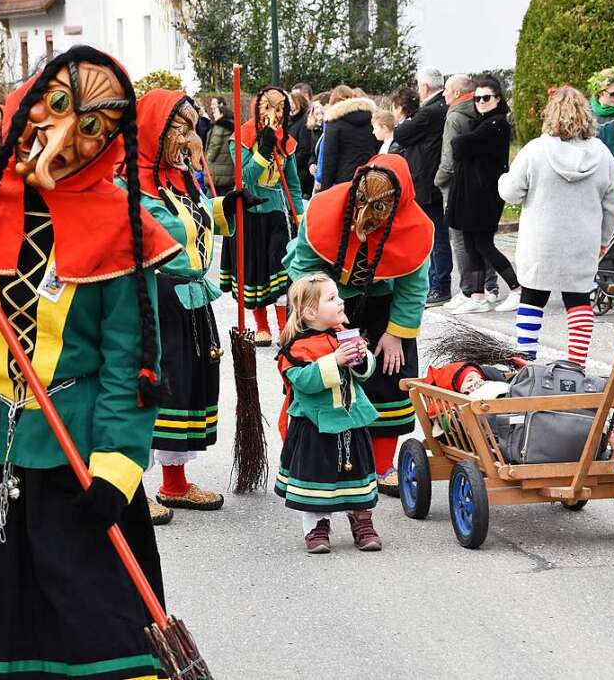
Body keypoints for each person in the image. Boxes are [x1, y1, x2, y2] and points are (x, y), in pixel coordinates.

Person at [0, 46, 176, 680]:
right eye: (57, 106)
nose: (67, 136)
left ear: (111, 142)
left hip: (74, 458)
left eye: (93, 127)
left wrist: (115, 471)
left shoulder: (123, 226)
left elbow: (127, 365)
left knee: (94, 631)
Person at [129, 89, 255, 524]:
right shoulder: (130, 188)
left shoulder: (178, 180)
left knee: (187, 389)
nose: (188, 137)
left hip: (193, 298)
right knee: (153, 390)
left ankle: (175, 482)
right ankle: (130, 489)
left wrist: (227, 208)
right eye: (177, 128)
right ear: (154, 131)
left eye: (190, 126)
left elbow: (192, 222)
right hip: (156, 300)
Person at [285, 154, 432, 498]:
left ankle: (381, 467)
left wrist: (396, 334)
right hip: (325, 297)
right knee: (321, 382)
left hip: (384, 306)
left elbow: (413, 287)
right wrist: (321, 319)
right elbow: (303, 269)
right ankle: (316, 462)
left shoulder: (418, 229)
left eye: (379, 208)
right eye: (362, 202)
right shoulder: (323, 209)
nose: (366, 216)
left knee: (389, 380)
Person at [500, 86, 614, 367]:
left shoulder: (535, 150)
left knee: (532, 298)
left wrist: (502, 179)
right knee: (578, 300)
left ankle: (526, 362)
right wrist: (603, 239)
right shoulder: (602, 155)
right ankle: (576, 365)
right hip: (582, 241)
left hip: (540, 241)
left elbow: (510, 192)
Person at [275, 273, 381, 554]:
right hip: (315, 426)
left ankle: (362, 522)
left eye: (338, 296)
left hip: (351, 420)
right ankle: (317, 527)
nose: (340, 301)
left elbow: (364, 373)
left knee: (357, 473)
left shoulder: (344, 334)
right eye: (332, 298)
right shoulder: (297, 346)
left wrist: (362, 357)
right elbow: (303, 382)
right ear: (310, 311)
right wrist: (333, 361)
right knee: (316, 476)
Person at [219, 86, 305, 346]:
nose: (274, 114)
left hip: (276, 212)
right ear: (257, 109)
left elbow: (292, 181)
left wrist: (299, 212)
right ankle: (262, 327)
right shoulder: (241, 138)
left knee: (280, 270)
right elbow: (244, 178)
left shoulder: (286, 141)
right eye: (268, 108)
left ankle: (284, 328)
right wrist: (264, 149)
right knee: (254, 272)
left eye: (279, 109)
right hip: (248, 213)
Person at [447, 77, 521, 315]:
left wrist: (462, 144)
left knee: (483, 244)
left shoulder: (496, 123)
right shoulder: (482, 122)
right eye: (477, 98)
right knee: (471, 244)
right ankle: (478, 296)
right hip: (471, 194)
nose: (481, 102)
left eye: (486, 97)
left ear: (497, 99)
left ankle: (517, 288)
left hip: (485, 195)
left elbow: (460, 146)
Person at [437, 74, 498, 308]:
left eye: (447, 90)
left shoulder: (454, 117)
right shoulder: (480, 114)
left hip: (456, 185)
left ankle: (469, 290)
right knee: (480, 237)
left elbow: (449, 159)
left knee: (461, 239)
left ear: (456, 93)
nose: (444, 94)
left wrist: (438, 180)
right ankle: (489, 286)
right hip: (480, 183)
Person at [394, 67, 451, 306]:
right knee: (434, 232)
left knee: (434, 234)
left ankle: (440, 285)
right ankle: (437, 283)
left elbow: (401, 132)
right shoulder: (439, 108)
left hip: (426, 180)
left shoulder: (429, 111)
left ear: (425, 87)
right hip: (429, 178)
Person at [318, 87, 379, 190]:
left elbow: (330, 159)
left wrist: (325, 189)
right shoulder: (370, 119)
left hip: (344, 182)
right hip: (370, 177)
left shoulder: (334, 122)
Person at [205, 96, 235, 196]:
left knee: (211, 202)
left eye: (215, 112)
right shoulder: (232, 127)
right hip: (228, 172)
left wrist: (206, 161)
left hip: (216, 174)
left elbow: (213, 148)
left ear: (221, 114)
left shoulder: (219, 128)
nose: (213, 114)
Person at [289, 89, 316, 196]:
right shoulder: (289, 121)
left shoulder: (304, 122)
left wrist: (289, 165)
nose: (291, 106)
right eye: (289, 103)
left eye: (293, 103)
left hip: (299, 173)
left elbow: (304, 150)